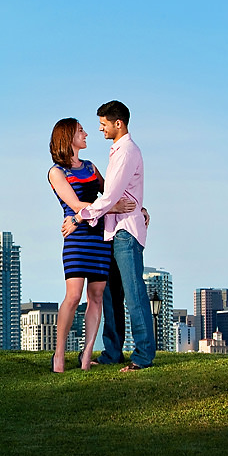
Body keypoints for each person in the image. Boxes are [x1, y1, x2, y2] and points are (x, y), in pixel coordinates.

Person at [63, 100, 153, 372]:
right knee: (112, 296)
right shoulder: (117, 152)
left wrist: (79, 217)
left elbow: (111, 196)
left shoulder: (126, 152)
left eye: (103, 124)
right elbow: (120, 194)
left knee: (134, 294)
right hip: (113, 231)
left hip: (125, 231)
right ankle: (112, 352)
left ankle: (143, 356)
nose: (100, 129)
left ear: (119, 123)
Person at [48, 117, 135, 373]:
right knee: (73, 296)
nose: (86, 133)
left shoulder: (90, 167)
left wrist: (137, 207)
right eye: (80, 131)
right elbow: (76, 205)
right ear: (68, 137)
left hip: (99, 238)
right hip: (77, 238)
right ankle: (59, 355)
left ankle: (87, 355)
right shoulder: (56, 171)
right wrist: (110, 207)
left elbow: (111, 194)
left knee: (96, 297)